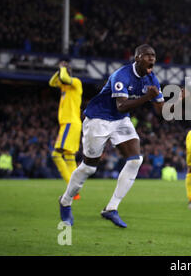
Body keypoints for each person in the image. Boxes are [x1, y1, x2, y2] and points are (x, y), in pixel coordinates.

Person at [59, 44, 164, 228]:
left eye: (154, 56)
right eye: (148, 55)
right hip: (98, 119)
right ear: (137, 57)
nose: (152, 59)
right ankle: (65, 201)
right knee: (89, 168)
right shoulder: (121, 75)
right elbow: (121, 105)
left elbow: (161, 110)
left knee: (135, 160)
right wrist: (147, 97)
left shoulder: (152, 78)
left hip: (120, 121)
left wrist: (178, 101)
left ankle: (111, 208)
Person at [49, 61, 83, 200]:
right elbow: (52, 82)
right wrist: (59, 70)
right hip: (69, 124)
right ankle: (75, 190)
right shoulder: (64, 87)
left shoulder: (75, 82)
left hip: (70, 123)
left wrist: (62, 69)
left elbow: (63, 78)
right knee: (69, 158)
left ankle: (72, 189)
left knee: (56, 155)